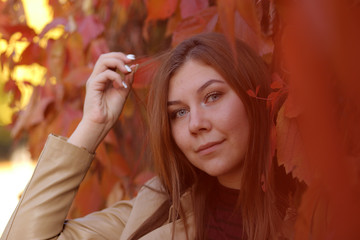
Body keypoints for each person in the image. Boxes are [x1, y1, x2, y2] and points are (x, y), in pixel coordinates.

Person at [1, 32, 294, 240]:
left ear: (253, 94)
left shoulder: (316, 204)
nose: (195, 124)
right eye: (178, 112)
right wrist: (93, 123)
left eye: (213, 96)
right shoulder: (158, 208)